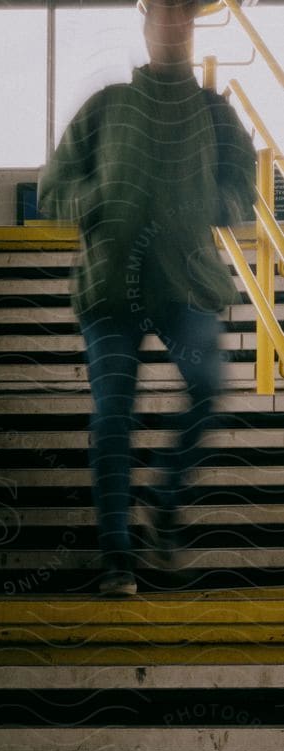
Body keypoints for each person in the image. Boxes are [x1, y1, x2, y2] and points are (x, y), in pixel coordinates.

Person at [39, 0, 256, 597]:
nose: (172, 23)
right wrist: (101, 199)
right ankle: (118, 559)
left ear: (192, 25)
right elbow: (51, 187)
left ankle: (162, 502)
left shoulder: (215, 113)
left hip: (186, 283)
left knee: (209, 386)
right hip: (110, 288)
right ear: (145, 23)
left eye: (183, 13)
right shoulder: (107, 107)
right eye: (162, 12)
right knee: (113, 416)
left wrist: (205, 205)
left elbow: (244, 188)